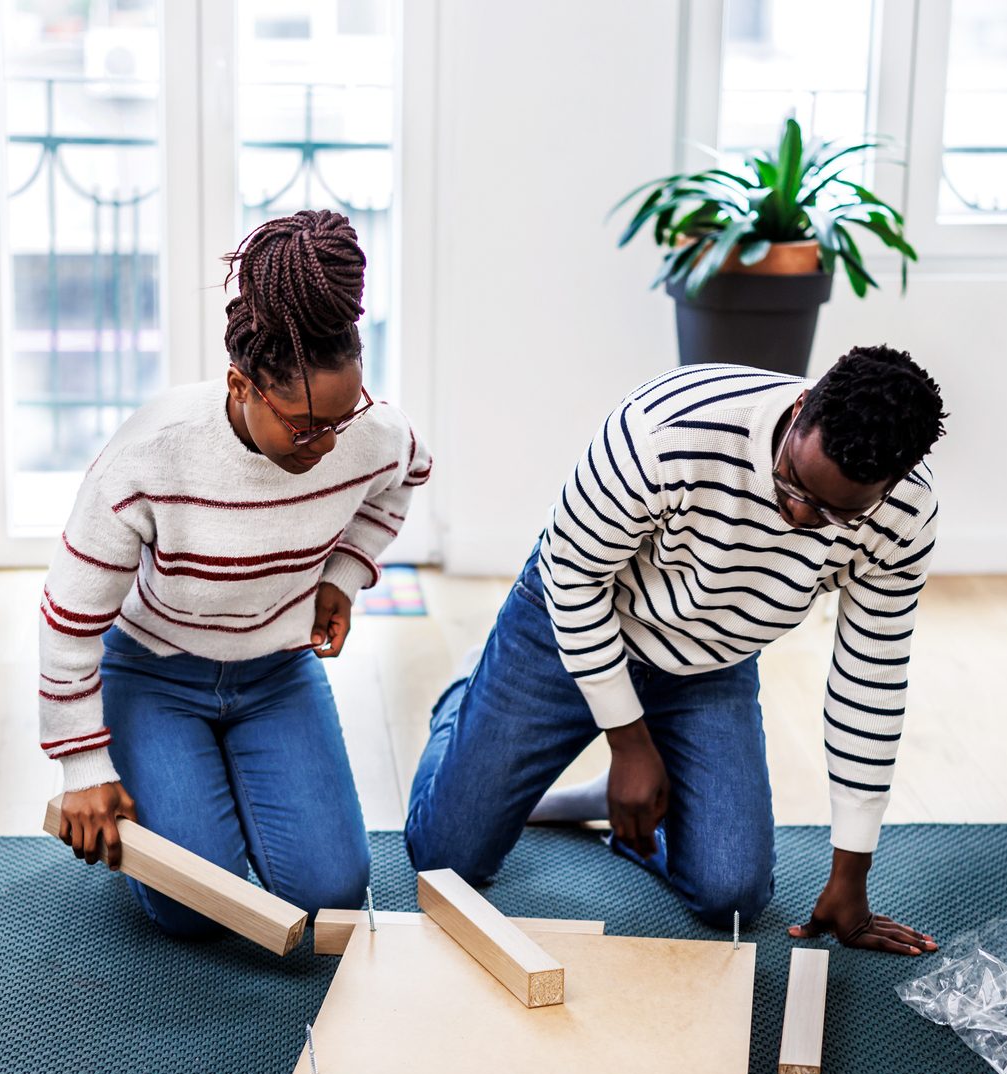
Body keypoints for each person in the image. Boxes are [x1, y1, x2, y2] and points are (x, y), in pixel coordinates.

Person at [405, 348, 945, 954]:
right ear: (799, 410)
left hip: (709, 659)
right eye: (792, 481)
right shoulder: (665, 428)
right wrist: (630, 743)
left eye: (832, 514)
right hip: (574, 616)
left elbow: (870, 677)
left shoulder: (905, 516)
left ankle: (608, 795)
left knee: (732, 894)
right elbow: (575, 579)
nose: (796, 515)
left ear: (889, 487)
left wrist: (851, 876)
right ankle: (466, 700)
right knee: (446, 859)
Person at [41, 210, 430, 937]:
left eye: (338, 423)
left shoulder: (366, 432)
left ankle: (213, 785)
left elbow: (403, 476)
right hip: (155, 673)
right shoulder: (153, 452)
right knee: (197, 907)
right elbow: (68, 621)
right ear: (241, 384)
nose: (324, 445)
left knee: (334, 893)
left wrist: (343, 573)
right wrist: (82, 767)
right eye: (302, 426)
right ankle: (178, 777)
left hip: (276, 672)